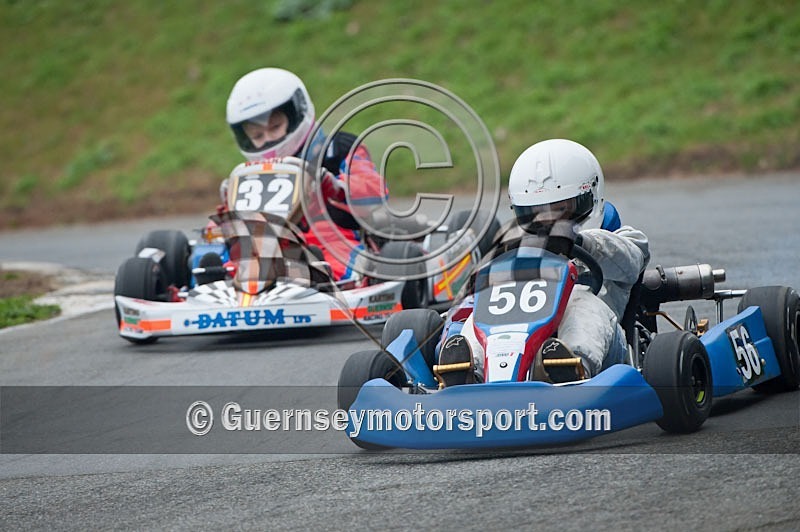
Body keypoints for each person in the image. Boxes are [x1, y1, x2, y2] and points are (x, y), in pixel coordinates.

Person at [438, 139, 649, 384]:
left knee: (581, 305)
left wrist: (579, 242)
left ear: (591, 196)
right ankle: (466, 372)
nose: (548, 221)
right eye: (536, 212)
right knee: (482, 313)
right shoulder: (519, 248)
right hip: (521, 338)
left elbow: (631, 261)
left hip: (606, 347)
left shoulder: (623, 238)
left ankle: (570, 368)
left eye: (560, 209)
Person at [222, 67, 388, 280]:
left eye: (275, 127)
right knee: (226, 255)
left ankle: (318, 278)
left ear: (296, 114)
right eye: (257, 135)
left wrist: (335, 187)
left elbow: (376, 191)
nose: (268, 140)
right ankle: (217, 283)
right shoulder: (252, 173)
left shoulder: (338, 148)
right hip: (266, 243)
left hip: (330, 236)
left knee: (333, 253)